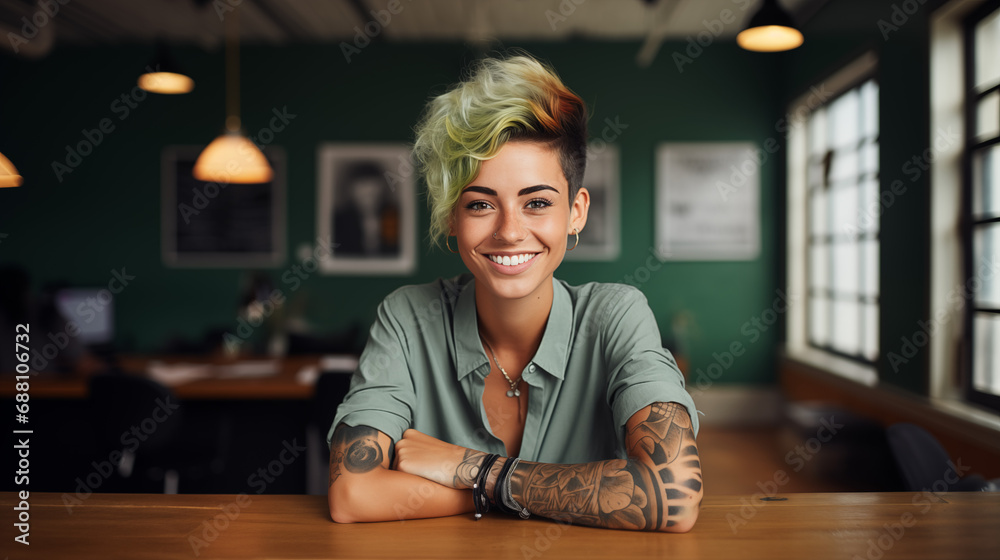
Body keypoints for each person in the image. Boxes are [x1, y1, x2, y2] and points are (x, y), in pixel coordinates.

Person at [327, 52, 702, 532]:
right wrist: (504, 493)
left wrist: (474, 470)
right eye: (481, 204)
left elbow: (672, 498)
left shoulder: (616, 315)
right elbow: (353, 495)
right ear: (450, 219)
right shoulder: (406, 317)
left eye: (537, 202)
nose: (509, 232)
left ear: (576, 212)